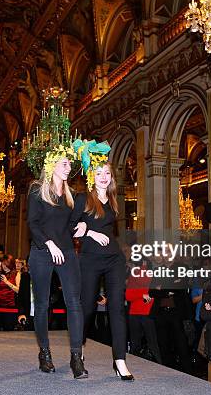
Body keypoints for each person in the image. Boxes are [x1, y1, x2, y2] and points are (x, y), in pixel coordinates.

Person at [70, 140, 134, 381]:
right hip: (89, 259)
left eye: (107, 173)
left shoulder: (116, 200)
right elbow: (69, 228)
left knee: (117, 307)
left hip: (114, 259)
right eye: (99, 173)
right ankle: (78, 350)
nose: (104, 177)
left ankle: (119, 360)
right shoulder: (82, 199)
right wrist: (87, 230)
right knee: (86, 308)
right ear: (91, 175)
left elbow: (111, 231)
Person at [26, 144, 87, 379]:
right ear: (52, 166)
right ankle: (45, 353)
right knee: (42, 304)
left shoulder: (72, 196)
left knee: (74, 302)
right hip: (42, 251)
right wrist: (48, 243)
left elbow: (68, 226)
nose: (69, 166)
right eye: (64, 163)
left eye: (70, 163)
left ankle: (76, 358)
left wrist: (82, 225)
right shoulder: (36, 190)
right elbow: (33, 223)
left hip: (66, 252)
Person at [0, 256, 20, 331]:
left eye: (4, 264)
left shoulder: (16, 274)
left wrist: (7, 282)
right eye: (2, 264)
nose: (2, 266)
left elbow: (18, 290)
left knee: (8, 330)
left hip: (9, 306)